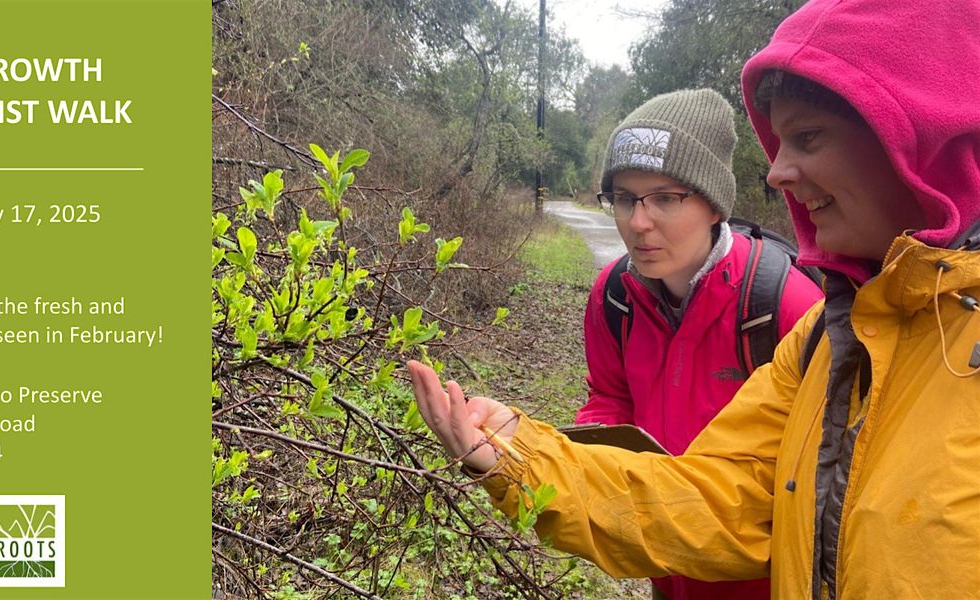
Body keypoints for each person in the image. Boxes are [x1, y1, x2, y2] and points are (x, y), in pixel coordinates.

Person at [407, 0, 980, 598]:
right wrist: (523, 456)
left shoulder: (784, 304)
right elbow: (719, 499)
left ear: (921, 136)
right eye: (623, 199)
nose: (778, 172)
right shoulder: (829, 336)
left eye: (808, 137)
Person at [576, 88, 823, 600]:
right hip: (665, 571)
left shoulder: (784, 304)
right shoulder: (613, 296)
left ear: (714, 206)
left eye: (665, 198)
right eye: (624, 198)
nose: (638, 223)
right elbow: (610, 398)